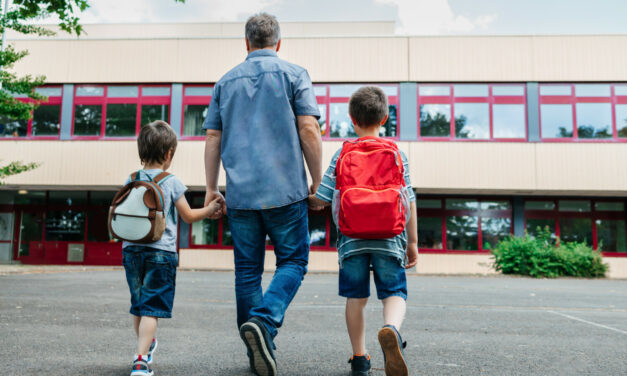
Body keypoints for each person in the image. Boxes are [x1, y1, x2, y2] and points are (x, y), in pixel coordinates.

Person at [202, 13, 322, 376]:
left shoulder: (224, 82)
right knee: (294, 262)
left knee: (247, 272)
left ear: (246, 43)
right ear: (279, 43)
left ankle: (258, 348)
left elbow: (212, 138)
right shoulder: (295, 74)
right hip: (286, 191)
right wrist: (318, 181)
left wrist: (211, 188)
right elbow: (309, 129)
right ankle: (266, 324)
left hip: (240, 196)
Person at [309, 86, 418, 376]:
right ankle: (391, 329)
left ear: (351, 119)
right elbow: (408, 200)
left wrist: (307, 196)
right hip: (390, 237)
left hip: (352, 239)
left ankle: (360, 359)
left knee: (355, 299)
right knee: (394, 293)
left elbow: (322, 198)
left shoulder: (343, 153)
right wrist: (413, 243)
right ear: (384, 119)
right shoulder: (397, 153)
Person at [122, 120, 223, 376]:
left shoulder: (131, 178)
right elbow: (188, 216)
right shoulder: (171, 181)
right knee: (152, 307)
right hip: (161, 252)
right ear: (169, 154)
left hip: (131, 250)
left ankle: (144, 345)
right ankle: (141, 361)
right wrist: (210, 209)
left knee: (139, 304)